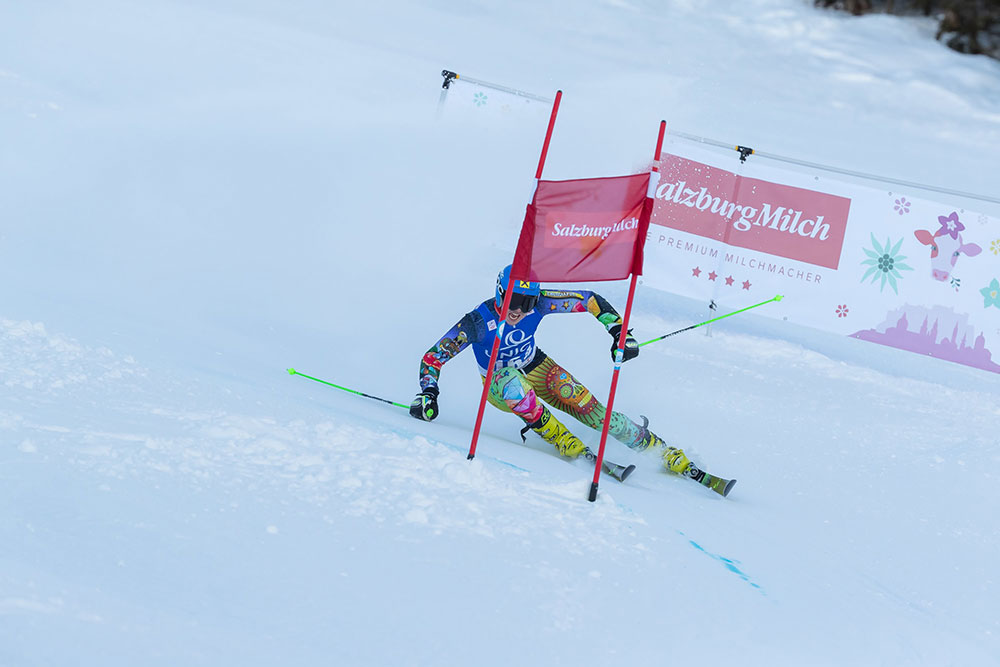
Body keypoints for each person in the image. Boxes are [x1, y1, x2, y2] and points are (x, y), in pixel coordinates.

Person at [409, 265, 692, 475]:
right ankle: (565, 442)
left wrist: (619, 331)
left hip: (535, 365)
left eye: (527, 303)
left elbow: (589, 299)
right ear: (499, 292)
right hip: (498, 382)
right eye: (514, 300)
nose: (519, 310)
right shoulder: (477, 322)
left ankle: (657, 448)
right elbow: (433, 357)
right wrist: (429, 393)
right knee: (513, 384)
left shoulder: (542, 302)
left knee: (588, 408)